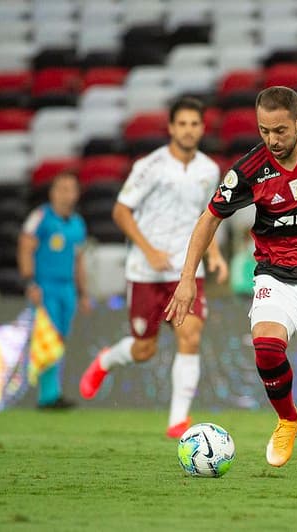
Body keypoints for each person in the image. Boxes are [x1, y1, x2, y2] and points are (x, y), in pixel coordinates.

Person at [165, 86, 297, 479]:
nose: (272, 141)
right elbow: (209, 217)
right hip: (275, 275)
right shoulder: (249, 169)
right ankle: (287, 419)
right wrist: (187, 278)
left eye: (279, 131)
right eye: (264, 131)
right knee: (266, 349)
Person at [78, 97, 228, 438]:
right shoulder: (150, 166)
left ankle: (178, 421)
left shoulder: (208, 169)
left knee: (190, 336)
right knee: (143, 349)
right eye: (183, 124)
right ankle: (106, 360)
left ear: (201, 129)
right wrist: (149, 250)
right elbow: (120, 211)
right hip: (146, 271)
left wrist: (214, 254)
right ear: (172, 128)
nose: (189, 130)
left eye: (195, 124)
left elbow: (210, 216)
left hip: (186, 271)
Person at [18, 171, 91, 409]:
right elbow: (25, 247)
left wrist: (83, 293)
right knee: (47, 337)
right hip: (45, 286)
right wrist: (30, 283)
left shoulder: (78, 224)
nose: (66, 194)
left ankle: (52, 393)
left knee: (59, 339)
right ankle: (48, 395)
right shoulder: (40, 217)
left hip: (67, 288)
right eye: (62, 189)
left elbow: (79, 261)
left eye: (71, 189)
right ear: (52, 193)